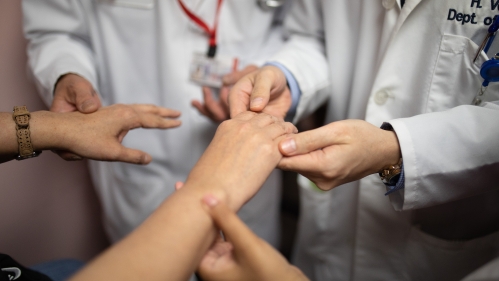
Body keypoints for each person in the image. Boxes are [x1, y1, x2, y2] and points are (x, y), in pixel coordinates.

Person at [228, 1, 499, 280]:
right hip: (331, 235)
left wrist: (397, 150)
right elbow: (316, 37)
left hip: (446, 240)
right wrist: (288, 78)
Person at [22, 0, 290, 247]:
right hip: (143, 168)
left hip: (246, 172)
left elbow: (301, 32)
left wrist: (269, 73)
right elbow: (55, 31)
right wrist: (67, 72)